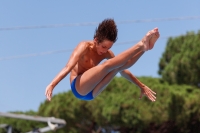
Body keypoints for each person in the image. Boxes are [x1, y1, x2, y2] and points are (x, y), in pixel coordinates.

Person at [45, 18, 160, 102]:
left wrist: (141, 85)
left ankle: (145, 48)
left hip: (92, 93)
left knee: (117, 68)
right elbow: (68, 67)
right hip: (78, 87)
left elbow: (125, 66)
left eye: (109, 48)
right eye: (103, 47)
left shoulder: (107, 53)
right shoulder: (84, 46)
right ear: (96, 40)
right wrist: (52, 84)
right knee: (107, 66)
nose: (105, 51)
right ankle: (140, 44)